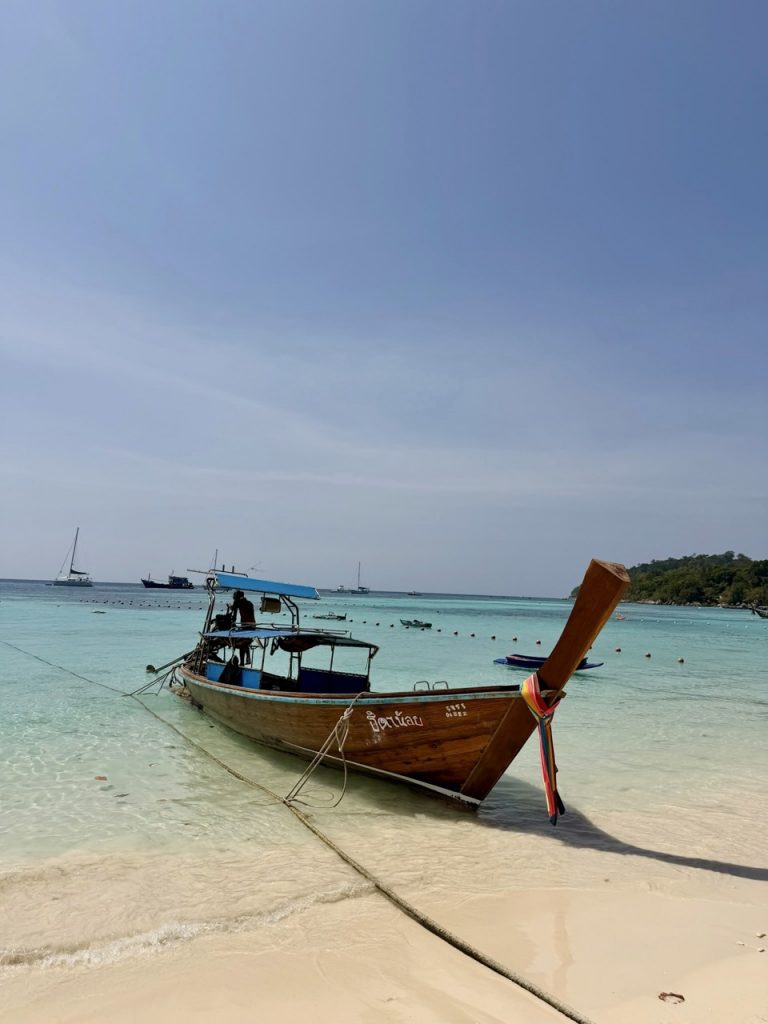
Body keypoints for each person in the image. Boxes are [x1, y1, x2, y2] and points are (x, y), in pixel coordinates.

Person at [229, 589, 256, 665]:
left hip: (245, 626)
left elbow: (234, 617)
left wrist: (231, 608)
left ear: (236, 597)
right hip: (252, 626)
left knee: (242, 644)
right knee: (245, 642)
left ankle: (242, 663)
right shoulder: (249, 603)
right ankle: (248, 658)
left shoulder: (237, 602)